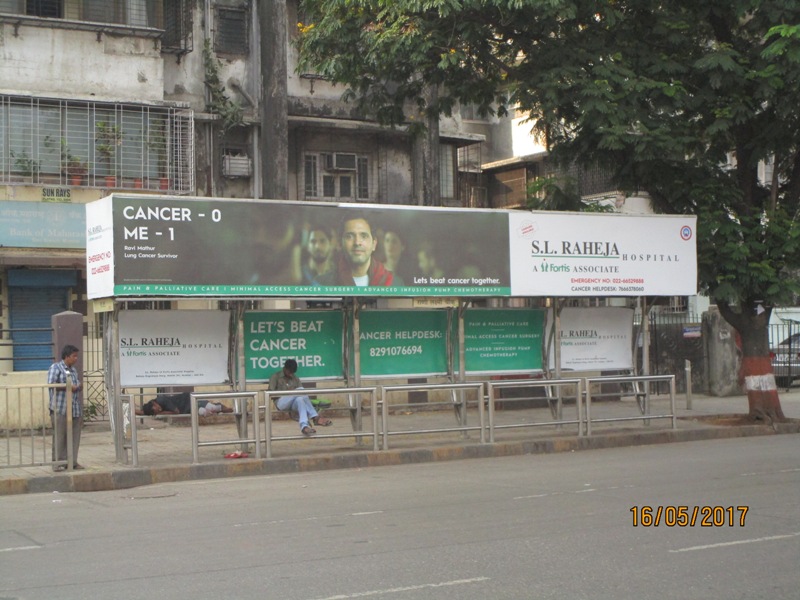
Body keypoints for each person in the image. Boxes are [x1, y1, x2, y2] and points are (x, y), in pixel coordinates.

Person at [268, 359, 332, 436]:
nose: (291, 374)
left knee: (300, 399)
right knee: (300, 390)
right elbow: (270, 394)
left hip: (293, 404)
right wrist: (288, 393)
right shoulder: (276, 377)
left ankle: (304, 426)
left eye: (292, 373)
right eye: (289, 372)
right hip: (280, 402)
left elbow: (303, 395)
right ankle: (315, 417)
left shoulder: (295, 378)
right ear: (285, 368)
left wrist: (294, 393)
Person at [48, 344, 83, 472]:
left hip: (74, 408)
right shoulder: (56, 367)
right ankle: (58, 462)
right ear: (67, 356)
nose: (76, 359)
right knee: (60, 437)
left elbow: (76, 383)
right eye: (74, 356)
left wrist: (78, 387)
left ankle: (72, 462)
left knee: (74, 436)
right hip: (60, 408)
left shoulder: (73, 370)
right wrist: (67, 387)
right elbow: (51, 384)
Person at [336, 214, 394, 286]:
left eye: (364, 236)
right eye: (349, 236)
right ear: (340, 244)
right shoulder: (324, 282)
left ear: (374, 244)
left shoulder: (394, 283)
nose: (357, 242)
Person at [138, 392, 233, 416]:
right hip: (189, 409)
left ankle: (227, 409)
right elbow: (142, 412)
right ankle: (218, 410)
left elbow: (176, 412)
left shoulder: (162, 400)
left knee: (213, 407)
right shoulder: (150, 409)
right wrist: (131, 410)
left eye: (156, 409)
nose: (158, 410)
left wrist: (160, 413)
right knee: (205, 412)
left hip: (189, 400)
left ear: (154, 403)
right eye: (155, 412)